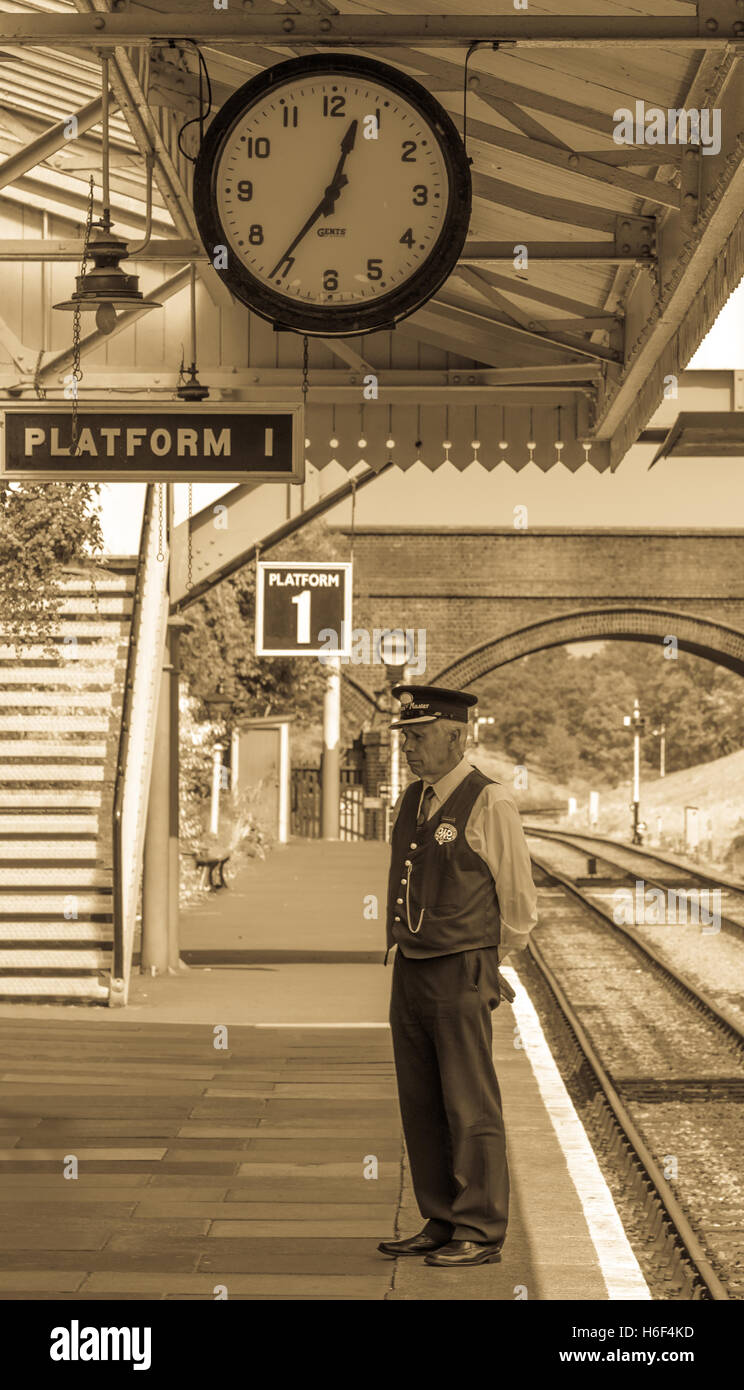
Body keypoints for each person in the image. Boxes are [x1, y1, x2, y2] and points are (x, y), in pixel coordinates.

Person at [377, 683, 538, 1268]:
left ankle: (480, 1226)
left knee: (469, 1100)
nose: (409, 749)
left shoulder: (490, 801)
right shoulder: (414, 798)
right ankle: (440, 1216)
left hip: (460, 966)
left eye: (418, 738)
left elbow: (518, 901)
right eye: (406, 738)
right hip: (414, 965)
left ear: (454, 735)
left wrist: (490, 962)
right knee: (420, 1098)